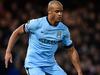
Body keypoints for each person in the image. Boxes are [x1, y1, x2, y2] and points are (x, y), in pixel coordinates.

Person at [5, 0, 83, 75]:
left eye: (61, 11)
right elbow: (17, 32)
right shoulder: (36, 23)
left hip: (51, 65)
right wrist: (8, 51)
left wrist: (79, 71)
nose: (60, 14)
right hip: (34, 64)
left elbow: (72, 51)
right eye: (57, 11)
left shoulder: (63, 30)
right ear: (49, 11)